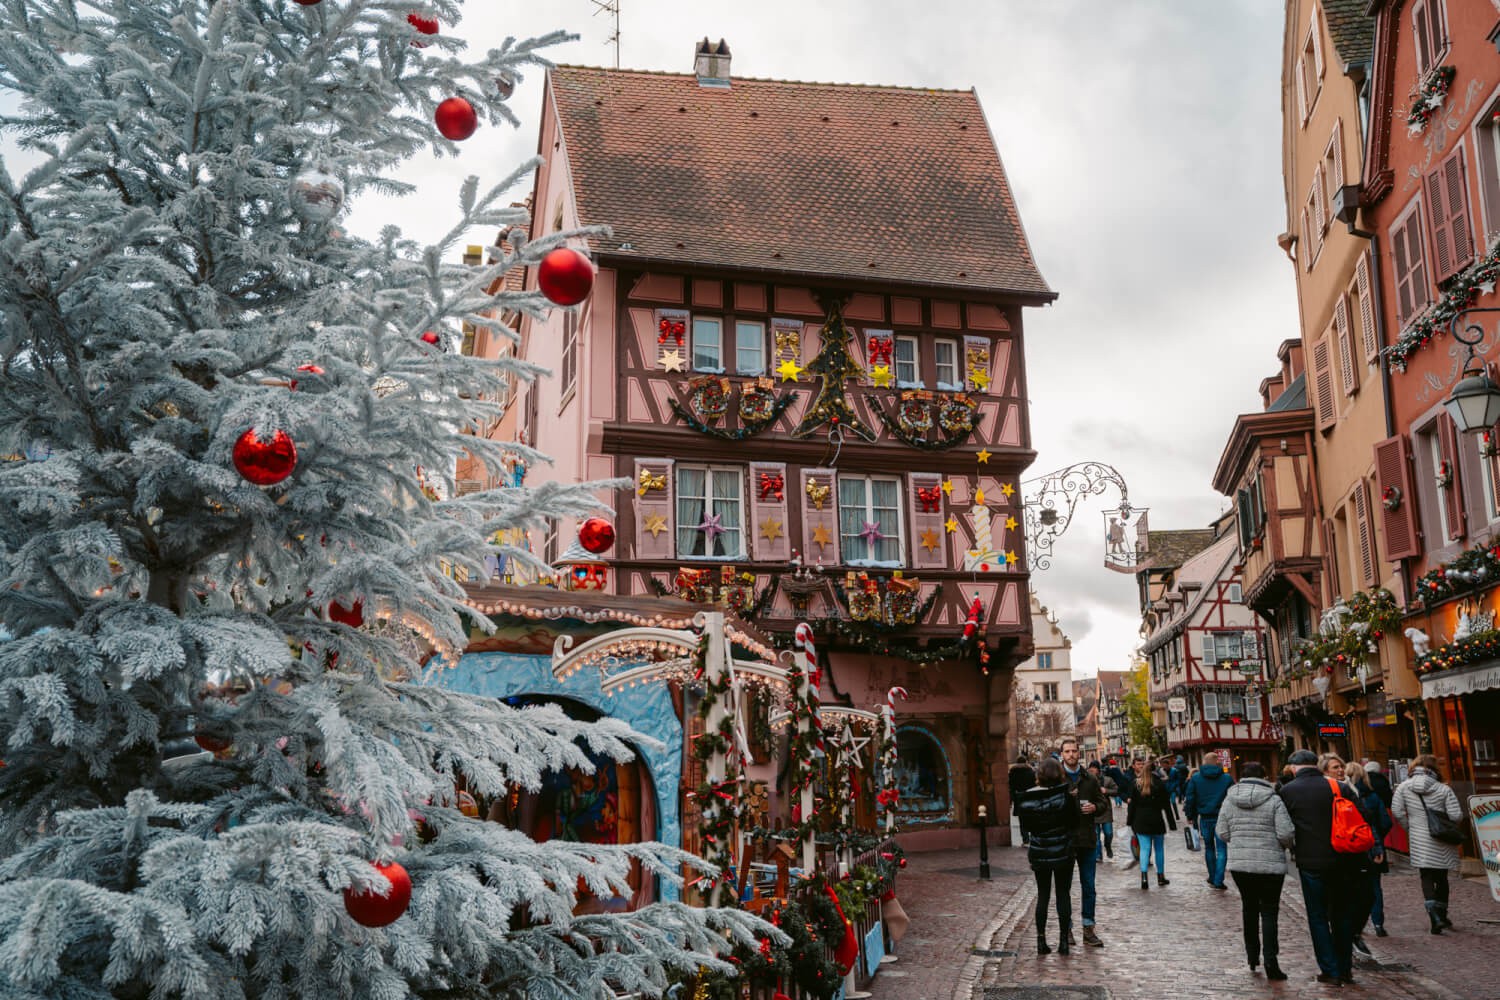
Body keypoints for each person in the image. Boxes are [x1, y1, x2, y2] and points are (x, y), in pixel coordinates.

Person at [1279, 748, 1361, 986]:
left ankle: (1330, 969)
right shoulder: (1339, 787)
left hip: (1310, 860)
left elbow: (1285, 828)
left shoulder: (1288, 791)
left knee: (1317, 917)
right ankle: (1345, 968)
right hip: (1342, 858)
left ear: (1294, 768)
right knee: (1342, 915)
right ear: (1316, 765)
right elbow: (1361, 816)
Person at [1217, 761, 1293, 982]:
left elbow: (1221, 831)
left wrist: (1238, 841)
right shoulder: (1274, 800)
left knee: (1249, 908)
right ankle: (1271, 961)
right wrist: (1280, 845)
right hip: (1270, 864)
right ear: (1264, 775)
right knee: (1269, 911)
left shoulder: (1229, 800)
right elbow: (1286, 832)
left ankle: (1252, 956)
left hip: (1241, 865)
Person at [1390, 754, 1465, 935]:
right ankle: (1442, 914)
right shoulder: (1443, 789)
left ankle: (1434, 916)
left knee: (1426, 875)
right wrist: (1444, 824)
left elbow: (1397, 811)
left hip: (1419, 838)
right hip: (1442, 838)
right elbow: (1456, 815)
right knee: (1441, 877)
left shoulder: (1403, 788)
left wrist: (1411, 827)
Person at [1015, 758, 1080, 955]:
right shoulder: (1066, 797)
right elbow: (1074, 822)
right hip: (1062, 850)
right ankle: (1063, 941)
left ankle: (1041, 941)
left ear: (1039, 775)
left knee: (1043, 895)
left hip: (1040, 850)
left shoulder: (1027, 799)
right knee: (1063, 894)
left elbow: (1026, 828)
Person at [1059, 737, 1111, 948]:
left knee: (1088, 886)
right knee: (1064, 887)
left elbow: (1103, 802)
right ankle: (1067, 929)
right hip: (1065, 840)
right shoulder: (1057, 778)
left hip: (1087, 839)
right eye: (1067, 751)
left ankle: (1088, 928)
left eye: (1074, 751)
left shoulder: (1089, 778)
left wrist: (1095, 808)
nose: (1071, 754)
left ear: (1078, 753)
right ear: (1061, 754)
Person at [1345, 761, 1391, 945]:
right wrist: (1378, 837)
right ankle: (1378, 923)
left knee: (1351, 887)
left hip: (1350, 847)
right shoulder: (1372, 796)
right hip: (1372, 846)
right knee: (1374, 887)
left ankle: (1356, 925)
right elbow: (1385, 822)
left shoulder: (1344, 796)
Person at [1185, 751, 1234, 891]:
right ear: (1217, 762)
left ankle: (1212, 876)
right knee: (1222, 849)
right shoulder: (1226, 778)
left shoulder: (1196, 778)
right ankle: (1219, 879)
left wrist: (1190, 815)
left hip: (1205, 817)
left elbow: (1190, 798)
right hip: (1222, 817)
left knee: (1209, 848)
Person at [1125, 755, 1176, 890]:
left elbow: (1132, 805)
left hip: (1140, 821)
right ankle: (1160, 877)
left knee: (1144, 849)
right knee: (1158, 849)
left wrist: (1129, 822)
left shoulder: (1136, 784)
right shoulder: (1159, 784)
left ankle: (1144, 878)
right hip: (1156, 820)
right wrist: (1172, 823)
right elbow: (1167, 805)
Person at [1089, 760, 1118, 861]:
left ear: (1098, 769)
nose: (1092, 770)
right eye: (1090, 768)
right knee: (1096, 837)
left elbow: (1116, 790)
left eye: (1094, 768)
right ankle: (1098, 855)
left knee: (1108, 833)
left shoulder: (1107, 780)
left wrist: (1106, 791)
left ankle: (1108, 846)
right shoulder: (1087, 780)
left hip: (1106, 811)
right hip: (1093, 811)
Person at [1009, 754, 1037, 845]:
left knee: (1022, 819)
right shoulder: (1031, 772)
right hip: (1030, 797)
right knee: (1032, 818)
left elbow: (1010, 787)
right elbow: (1035, 785)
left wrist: (1011, 800)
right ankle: (1033, 837)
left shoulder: (1012, 772)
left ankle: (1025, 839)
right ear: (1026, 762)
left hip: (1019, 798)